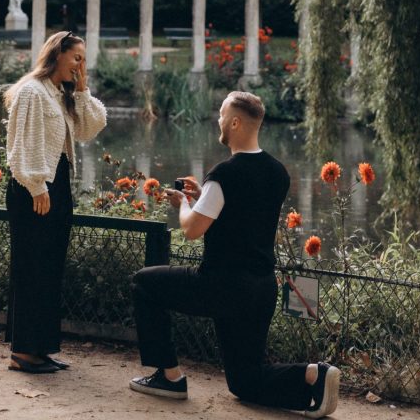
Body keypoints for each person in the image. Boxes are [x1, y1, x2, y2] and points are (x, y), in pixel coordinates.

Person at [129, 90, 340, 417]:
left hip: (220, 285)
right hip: (261, 288)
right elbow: (244, 214)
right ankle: (314, 375)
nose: (218, 120)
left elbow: (192, 229)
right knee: (245, 381)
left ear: (236, 122)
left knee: (143, 283)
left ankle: (169, 377)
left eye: (222, 115)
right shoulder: (278, 172)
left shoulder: (225, 174)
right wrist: (205, 196)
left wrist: (184, 204)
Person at [4, 30, 106, 375]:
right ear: (56, 55)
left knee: (49, 269)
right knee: (32, 268)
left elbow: (90, 128)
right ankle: (23, 353)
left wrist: (83, 89)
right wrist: (37, 186)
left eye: (84, 60)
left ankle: (40, 349)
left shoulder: (60, 94)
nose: (80, 65)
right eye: (76, 58)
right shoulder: (32, 91)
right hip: (34, 188)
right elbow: (21, 145)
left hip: (56, 185)